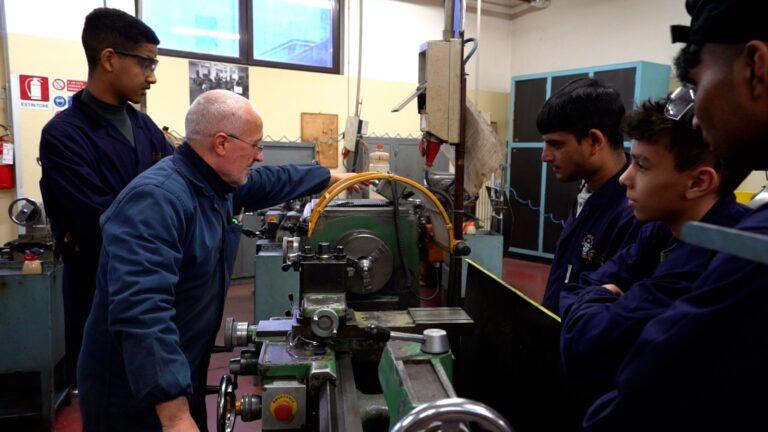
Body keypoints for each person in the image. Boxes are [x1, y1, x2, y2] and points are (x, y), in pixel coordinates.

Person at [77, 90, 358, 432]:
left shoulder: (211, 184)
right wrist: (176, 415)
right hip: (133, 391)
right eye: (255, 145)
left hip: (180, 370)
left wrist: (330, 178)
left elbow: (269, 181)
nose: (260, 155)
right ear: (222, 143)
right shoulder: (156, 200)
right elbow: (141, 311)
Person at [583, 1, 768, 430]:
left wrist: (605, 297)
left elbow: (630, 404)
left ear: (756, 66)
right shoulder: (660, 236)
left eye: (697, 82)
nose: (697, 117)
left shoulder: (751, 251)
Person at [559, 98, 750, 418]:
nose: (624, 178)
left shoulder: (717, 259)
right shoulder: (662, 231)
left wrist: (606, 297)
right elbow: (579, 287)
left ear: (699, 182)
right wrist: (602, 297)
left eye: (642, 166)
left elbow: (586, 346)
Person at [38, 8, 173, 389]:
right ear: (109, 59)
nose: (153, 75)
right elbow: (100, 223)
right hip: (99, 294)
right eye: (145, 62)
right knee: (108, 399)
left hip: (152, 293)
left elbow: (180, 190)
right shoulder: (64, 136)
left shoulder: (145, 127)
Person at [536, 78, 642, 314]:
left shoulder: (633, 213)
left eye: (556, 144)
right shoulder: (587, 193)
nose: (545, 156)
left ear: (594, 141)